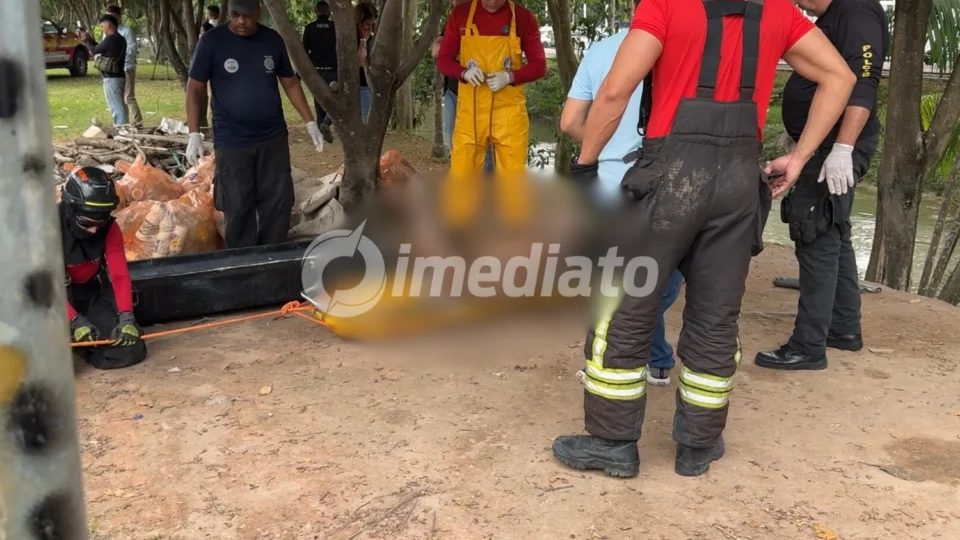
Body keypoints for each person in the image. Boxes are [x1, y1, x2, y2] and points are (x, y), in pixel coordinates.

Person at [551, 0, 857, 479]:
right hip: (738, 182)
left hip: (670, 178)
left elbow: (615, 91)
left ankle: (611, 442)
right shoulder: (777, 10)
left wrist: (586, 166)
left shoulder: (666, 4)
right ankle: (698, 444)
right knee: (716, 313)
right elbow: (840, 77)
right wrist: (799, 158)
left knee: (624, 307)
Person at [756, 0, 887, 370]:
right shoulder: (833, 16)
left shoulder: (856, 11)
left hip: (836, 144)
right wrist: (799, 135)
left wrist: (842, 147)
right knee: (834, 229)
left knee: (813, 228)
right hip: (820, 142)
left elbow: (864, 81)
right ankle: (844, 328)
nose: (796, 2)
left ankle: (808, 345)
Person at [560, 1, 683, 386]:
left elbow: (568, 122)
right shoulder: (682, 46)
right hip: (670, 178)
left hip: (611, 179)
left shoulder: (601, 51)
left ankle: (614, 356)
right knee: (664, 275)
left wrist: (602, 150)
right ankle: (656, 359)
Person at [185, 0, 325, 249]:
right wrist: (193, 133)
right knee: (238, 206)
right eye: (236, 15)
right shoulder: (212, 42)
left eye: (247, 16)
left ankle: (271, 256)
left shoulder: (272, 41)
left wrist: (310, 121)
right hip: (233, 140)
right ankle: (243, 261)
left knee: (278, 201)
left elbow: (290, 83)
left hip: (272, 137)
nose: (241, 21)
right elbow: (195, 89)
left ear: (259, 12)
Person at [435, 0, 547, 227]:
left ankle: (513, 234)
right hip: (471, 112)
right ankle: (461, 233)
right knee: (463, 176)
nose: (493, 2)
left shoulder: (524, 18)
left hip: (509, 112)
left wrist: (511, 77)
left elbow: (540, 64)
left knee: (512, 180)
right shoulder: (461, 15)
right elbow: (444, 59)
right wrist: (464, 72)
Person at [61, 167, 147, 370]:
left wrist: (127, 316)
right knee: (51, 373)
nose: (93, 230)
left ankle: (81, 346)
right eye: (86, 222)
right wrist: (73, 321)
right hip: (47, 301)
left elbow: (119, 275)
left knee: (129, 350)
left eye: (100, 223)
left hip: (88, 293)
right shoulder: (45, 229)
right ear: (70, 208)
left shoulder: (110, 228)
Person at [432, 2, 494, 174]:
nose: (454, 9)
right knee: (455, 145)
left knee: (486, 151)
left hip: (482, 96)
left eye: (457, 4)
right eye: (452, 6)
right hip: (454, 93)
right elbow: (437, 51)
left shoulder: (486, 20)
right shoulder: (453, 20)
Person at [81, 14, 128, 127]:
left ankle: (121, 129)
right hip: (120, 76)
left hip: (111, 78)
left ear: (108, 25)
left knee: (116, 106)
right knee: (120, 104)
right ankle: (125, 127)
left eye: (103, 26)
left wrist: (87, 41)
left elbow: (94, 50)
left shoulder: (110, 39)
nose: (103, 29)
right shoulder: (121, 39)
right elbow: (102, 47)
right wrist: (91, 41)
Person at [302, 0, 337, 143]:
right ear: (329, 12)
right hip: (332, 69)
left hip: (315, 70)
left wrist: (302, 70)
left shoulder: (310, 28)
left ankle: (321, 130)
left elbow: (304, 50)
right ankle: (327, 122)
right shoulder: (335, 27)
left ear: (316, 12)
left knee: (318, 100)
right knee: (335, 98)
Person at [105, 5, 143, 127]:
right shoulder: (107, 32)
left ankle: (139, 124)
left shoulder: (126, 31)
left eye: (112, 16)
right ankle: (123, 124)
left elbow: (131, 50)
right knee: (117, 100)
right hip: (113, 71)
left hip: (126, 68)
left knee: (128, 97)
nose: (110, 20)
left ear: (119, 17)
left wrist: (119, 60)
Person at [355, 2, 378, 123]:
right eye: (367, 24)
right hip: (358, 86)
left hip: (368, 86)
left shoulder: (372, 38)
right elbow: (359, 61)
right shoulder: (353, 37)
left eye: (372, 24)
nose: (369, 28)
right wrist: (363, 40)